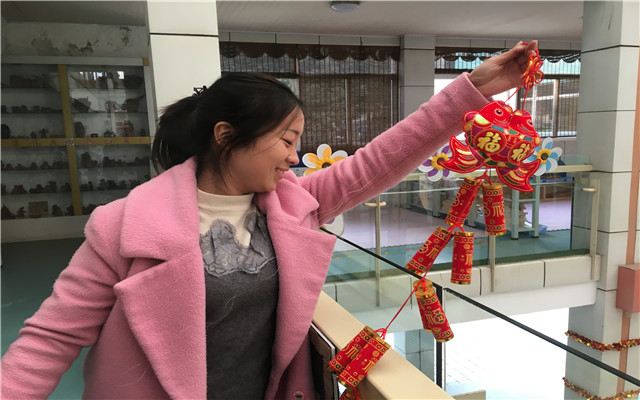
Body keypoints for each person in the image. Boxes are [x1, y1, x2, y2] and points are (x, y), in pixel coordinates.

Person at [1, 41, 538, 399]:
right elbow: (50, 339)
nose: (293, 156)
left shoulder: (292, 204)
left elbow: (378, 160)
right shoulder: (121, 226)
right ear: (226, 137)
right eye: (285, 139)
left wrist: (471, 90)